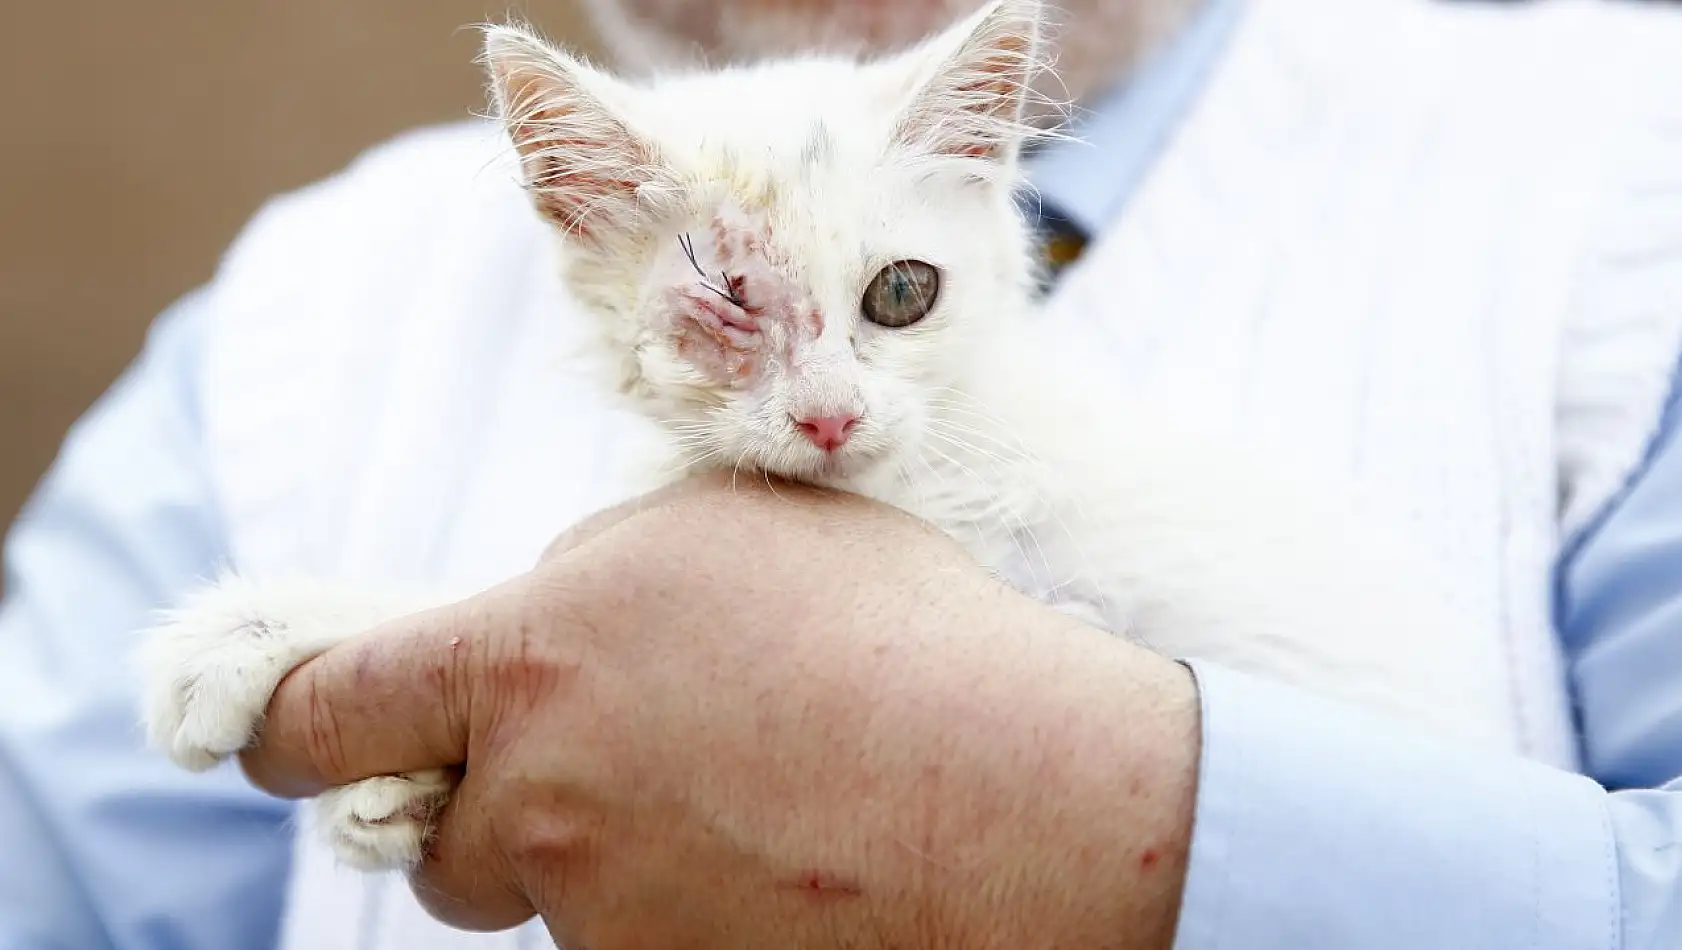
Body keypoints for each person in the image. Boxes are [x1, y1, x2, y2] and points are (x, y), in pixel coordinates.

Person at [1, 0, 1679, 947]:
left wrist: (1116, 829)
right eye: (734, 326)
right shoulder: (288, 333)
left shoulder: (1623, 177)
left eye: (892, 299)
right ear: (573, 204)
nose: (819, 408)